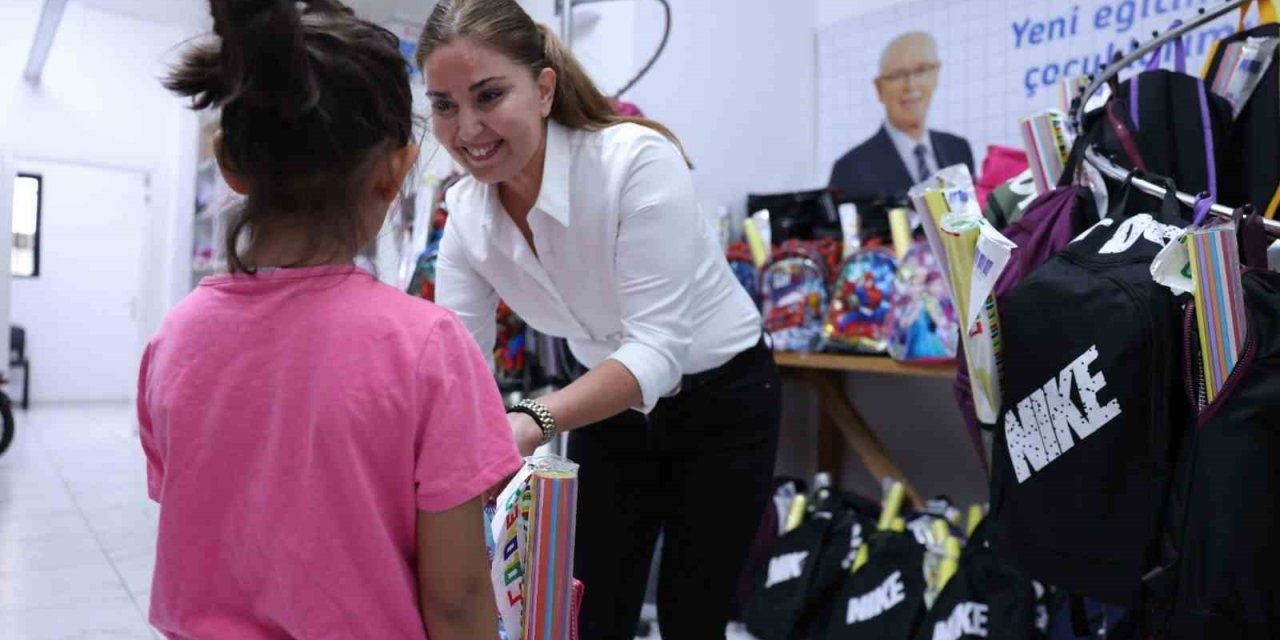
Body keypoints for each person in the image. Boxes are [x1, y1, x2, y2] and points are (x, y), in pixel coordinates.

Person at [138, 1, 521, 638]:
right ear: (395, 170)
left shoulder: (173, 337)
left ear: (230, 163)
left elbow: (205, 520)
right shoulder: (426, 347)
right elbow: (455, 600)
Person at [416, 0, 782, 637]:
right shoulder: (467, 218)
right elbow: (459, 369)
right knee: (587, 607)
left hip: (724, 399)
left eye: (489, 95)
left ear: (544, 89)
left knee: (695, 610)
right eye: (444, 105)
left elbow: (655, 356)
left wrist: (528, 421)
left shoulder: (633, 161)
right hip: (605, 413)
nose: (467, 127)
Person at [829, 31, 975, 201]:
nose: (911, 85)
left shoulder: (958, 149)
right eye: (898, 75)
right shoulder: (850, 169)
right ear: (879, 88)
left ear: (936, 75)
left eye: (921, 70)